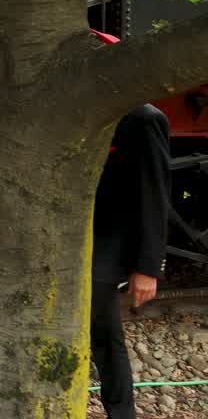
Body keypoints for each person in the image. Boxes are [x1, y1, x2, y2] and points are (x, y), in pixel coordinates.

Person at [91, 102, 172, 419]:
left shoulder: (144, 119)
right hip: (74, 235)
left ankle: (121, 413)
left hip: (110, 241)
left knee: (105, 335)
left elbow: (155, 195)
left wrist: (148, 268)